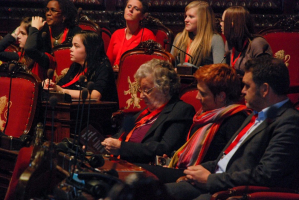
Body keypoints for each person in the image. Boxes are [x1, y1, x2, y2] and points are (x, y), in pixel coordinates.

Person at [165, 55, 299, 200]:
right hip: (218, 184)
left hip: (235, 193)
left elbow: (266, 175)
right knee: (149, 191)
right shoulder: (254, 115)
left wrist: (210, 180)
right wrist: (201, 170)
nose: (242, 91)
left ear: (264, 89)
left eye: (247, 86)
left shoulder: (289, 121)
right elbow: (227, 159)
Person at [137, 63, 249, 183]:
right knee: (132, 170)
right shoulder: (204, 115)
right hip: (185, 172)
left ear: (221, 96)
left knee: (137, 173)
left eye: (203, 93)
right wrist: (173, 160)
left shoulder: (235, 120)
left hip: (201, 180)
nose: (197, 97)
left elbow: (226, 164)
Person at [101, 59, 195, 164]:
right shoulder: (145, 112)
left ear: (165, 89)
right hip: (120, 161)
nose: (141, 96)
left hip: (145, 168)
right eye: (141, 90)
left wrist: (122, 147)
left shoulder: (181, 110)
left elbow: (164, 148)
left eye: (147, 90)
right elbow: (119, 136)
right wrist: (99, 145)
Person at [43, 31, 118, 102]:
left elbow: (96, 95)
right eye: (72, 45)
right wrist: (51, 86)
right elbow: (61, 85)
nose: (71, 49)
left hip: (100, 112)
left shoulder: (104, 67)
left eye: (76, 46)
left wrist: (62, 91)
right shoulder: (76, 66)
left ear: (90, 49)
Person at [171, 1, 225, 68]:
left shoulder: (215, 39)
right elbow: (170, 66)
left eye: (191, 17)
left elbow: (220, 70)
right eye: (186, 16)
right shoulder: (179, 37)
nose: (186, 20)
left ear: (203, 19)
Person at [106, 0, 156, 71]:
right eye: (128, 6)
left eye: (136, 8)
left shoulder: (147, 35)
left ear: (142, 16)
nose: (131, 9)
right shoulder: (116, 34)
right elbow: (107, 62)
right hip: (114, 76)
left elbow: (151, 65)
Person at [221, 6, 272, 75]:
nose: (220, 24)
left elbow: (264, 75)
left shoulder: (257, 44)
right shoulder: (230, 42)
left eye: (223, 21)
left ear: (232, 24)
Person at [0, 16, 55, 80]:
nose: (18, 36)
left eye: (23, 33)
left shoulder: (46, 58)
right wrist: (13, 35)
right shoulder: (22, 56)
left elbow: (30, 49)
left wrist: (34, 28)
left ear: (35, 37)